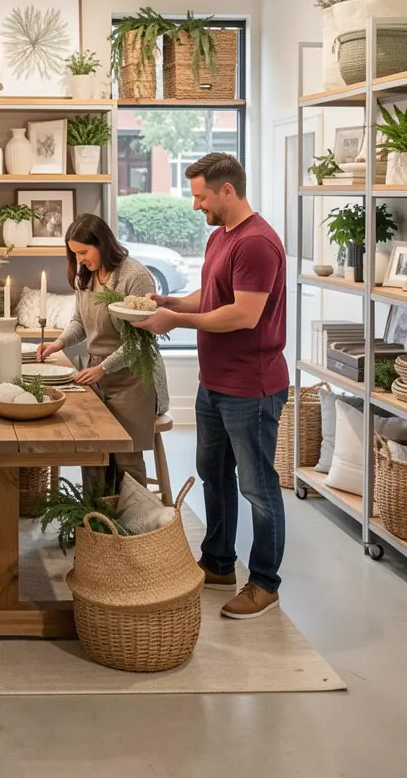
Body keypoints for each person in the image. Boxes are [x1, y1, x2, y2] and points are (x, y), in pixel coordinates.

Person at [133, 153, 289, 621]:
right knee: (214, 476)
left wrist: (175, 320)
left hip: (251, 387)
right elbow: (213, 295)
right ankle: (219, 563)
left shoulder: (258, 243)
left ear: (227, 190)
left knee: (258, 488)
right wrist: (172, 301)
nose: (197, 205)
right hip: (216, 382)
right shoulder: (222, 236)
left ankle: (264, 583)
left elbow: (244, 314)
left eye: (202, 196)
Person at [37, 213, 169, 493]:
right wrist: (57, 344)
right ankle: (97, 524)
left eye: (84, 252)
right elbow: (80, 322)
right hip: (96, 375)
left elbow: (139, 342)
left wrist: (104, 368)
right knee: (93, 452)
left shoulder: (135, 277)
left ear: (103, 243)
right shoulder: (86, 276)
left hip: (132, 378)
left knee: (127, 457)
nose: (81, 259)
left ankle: (135, 527)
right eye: (75, 254)